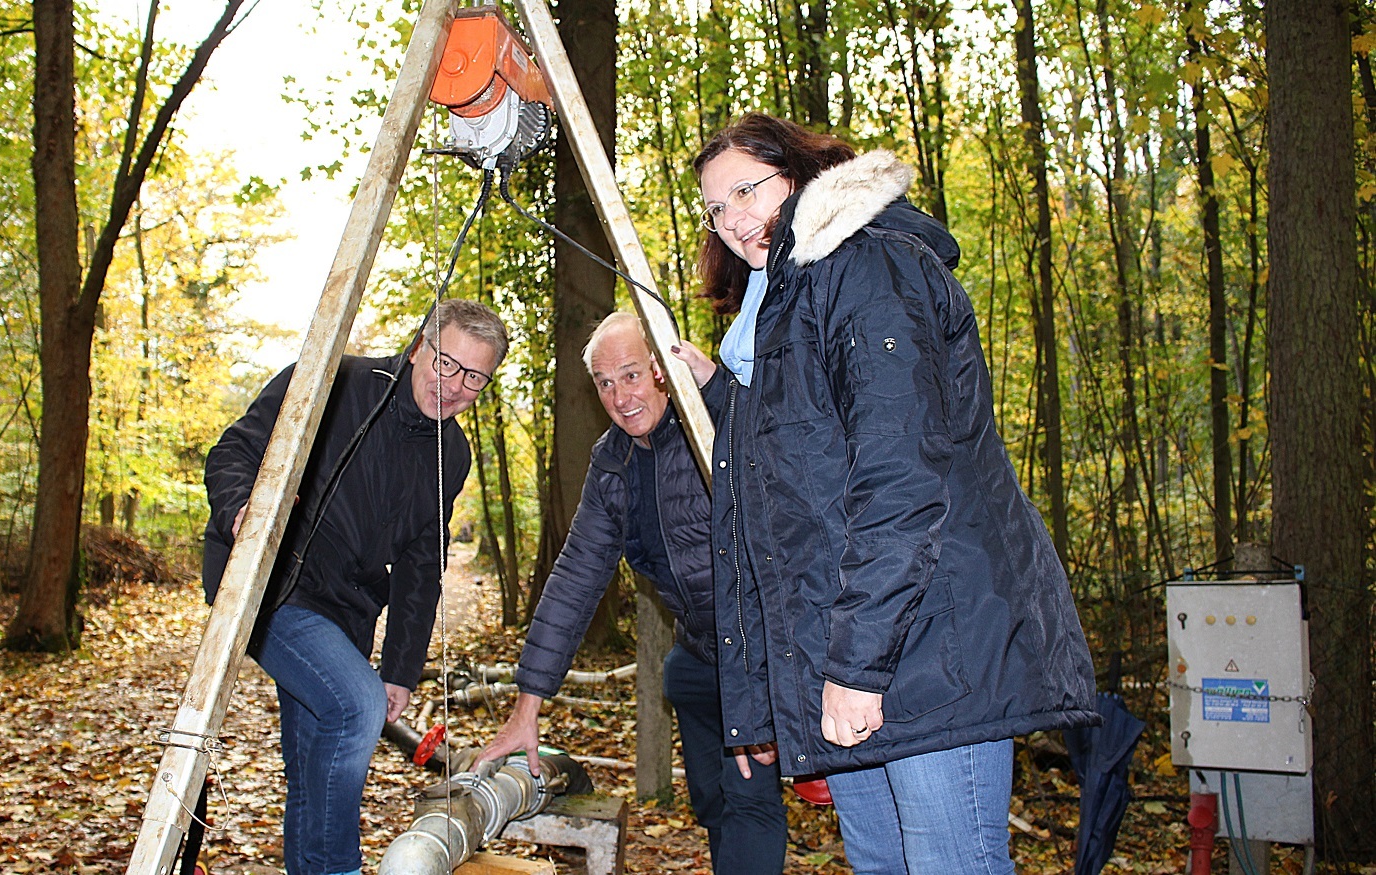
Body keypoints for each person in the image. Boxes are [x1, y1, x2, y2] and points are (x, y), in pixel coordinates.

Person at [672, 112, 1099, 873]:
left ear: (800, 175)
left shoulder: (863, 266)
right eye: (714, 206)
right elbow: (782, 520)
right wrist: (765, 701)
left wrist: (857, 671)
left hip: (929, 656)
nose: (732, 219)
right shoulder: (781, 308)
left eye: (745, 189)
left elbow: (902, 478)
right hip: (859, 659)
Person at [202, 299, 509, 875]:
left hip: (346, 611)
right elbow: (235, 450)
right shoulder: (336, 380)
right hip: (271, 587)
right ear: (419, 347)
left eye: (475, 376)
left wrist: (400, 666)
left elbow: (423, 560)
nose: (455, 385)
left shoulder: (453, 453)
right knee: (356, 706)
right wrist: (243, 510)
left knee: (314, 758)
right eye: (446, 363)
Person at [476, 312, 788, 874]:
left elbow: (779, 441)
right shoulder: (612, 461)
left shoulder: (713, 421)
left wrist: (766, 686)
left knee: (749, 802)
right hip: (696, 659)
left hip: (757, 654)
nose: (620, 397)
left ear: (663, 370)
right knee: (714, 803)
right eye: (604, 382)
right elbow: (575, 576)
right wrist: (528, 705)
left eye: (632, 375)